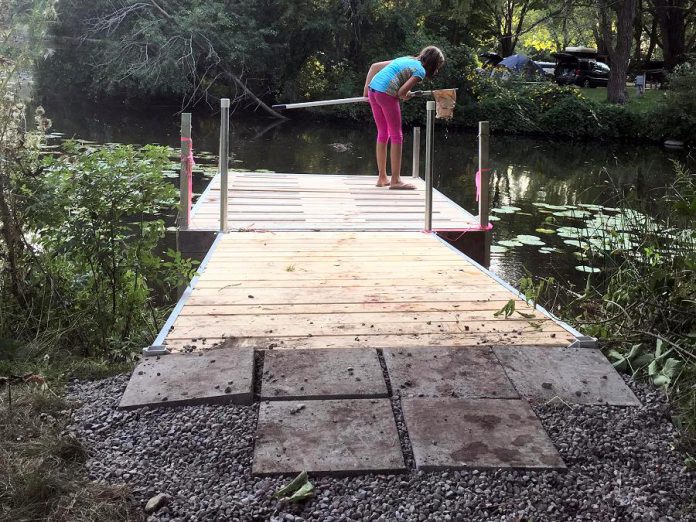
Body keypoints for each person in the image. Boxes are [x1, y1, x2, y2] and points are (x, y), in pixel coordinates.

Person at [363, 46, 445, 189]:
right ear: (433, 63)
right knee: (396, 136)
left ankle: (382, 178)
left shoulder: (406, 58)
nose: (437, 69)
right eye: (437, 66)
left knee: (383, 133)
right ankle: (395, 180)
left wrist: (365, 92)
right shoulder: (420, 71)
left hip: (373, 90)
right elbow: (401, 93)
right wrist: (407, 96)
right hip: (386, 93)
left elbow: (374, 67)